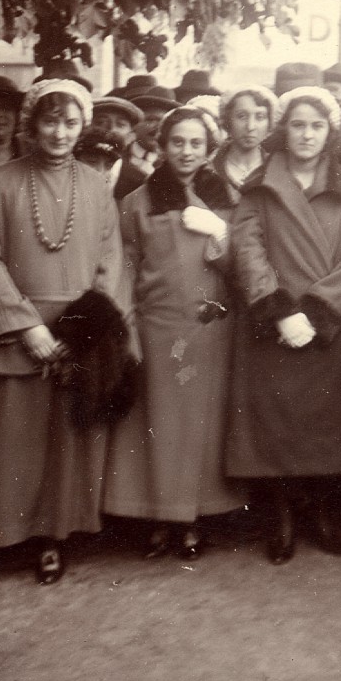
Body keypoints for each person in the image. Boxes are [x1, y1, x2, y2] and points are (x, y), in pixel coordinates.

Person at [0, 79, 127, 594]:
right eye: (50, 121)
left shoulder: (96, 186)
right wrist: (27, 326)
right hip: (14, 334)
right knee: (5, 444)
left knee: (62, 445)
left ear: (81, 126)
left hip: (73, 335)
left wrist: (74, 332)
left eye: (71, 123)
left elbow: (110, 264)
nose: (60, 133)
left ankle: (53, 538)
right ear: (32, 124)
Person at [226, 87, 341, 565]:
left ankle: (319, 514)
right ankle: (282, 517)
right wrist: (281, 310)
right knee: (277, 427)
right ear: (284, 129)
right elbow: (247, 248)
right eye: (298, 125)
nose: (306, 135)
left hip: (325, 324)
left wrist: (318, 311)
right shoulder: (260, 185)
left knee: (321, 426)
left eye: (317, 126)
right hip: (274, 324)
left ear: (330, 133)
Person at [104, 106, 245, 560]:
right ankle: (160, 518)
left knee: (202, 428)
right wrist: (128, 329)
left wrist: (222, 235)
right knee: (160, 426)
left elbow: (241, 266)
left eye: (196, 144)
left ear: (209, 150)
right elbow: (123, 271)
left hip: (210, 329)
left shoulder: (224, 198)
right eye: (177, 142)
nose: (186, 151)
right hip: (158, 328)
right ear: (162, 147)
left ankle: (194, 519)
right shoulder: (136, 203)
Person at [212, 85, 281, 200]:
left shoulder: (276, 169)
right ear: (228, 120)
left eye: (260, 117)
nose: (250, 126)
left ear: (269, 123)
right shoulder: (210, 168)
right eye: (242, 116)